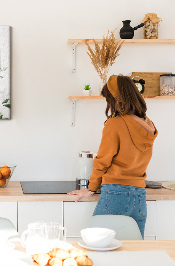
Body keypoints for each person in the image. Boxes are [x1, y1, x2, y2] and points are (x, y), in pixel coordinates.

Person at [68, 75, 158, 238]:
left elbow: (102, 161)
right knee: (134, 251)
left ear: (116, 99)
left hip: (116, 194)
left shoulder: (115, 124)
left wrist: (91, 188)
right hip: (139, 196)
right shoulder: (148, 124)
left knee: (95, 244)